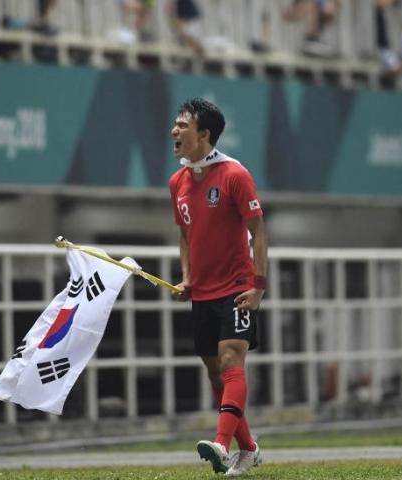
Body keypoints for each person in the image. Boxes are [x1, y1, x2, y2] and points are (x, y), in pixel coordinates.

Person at [168, 98, 268, 477]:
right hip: (203, 292)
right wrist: (187, 276)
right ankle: (249, 448)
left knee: (230, 362)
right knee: (215, 373)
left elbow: (259, 230)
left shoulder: (234, 175)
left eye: (183, 126)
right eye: (175, 125)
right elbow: (184, 234)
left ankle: (221, 445)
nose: (175, 131)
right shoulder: (176, 181)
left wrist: (258, 286)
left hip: (238, 287)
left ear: (204, 134)